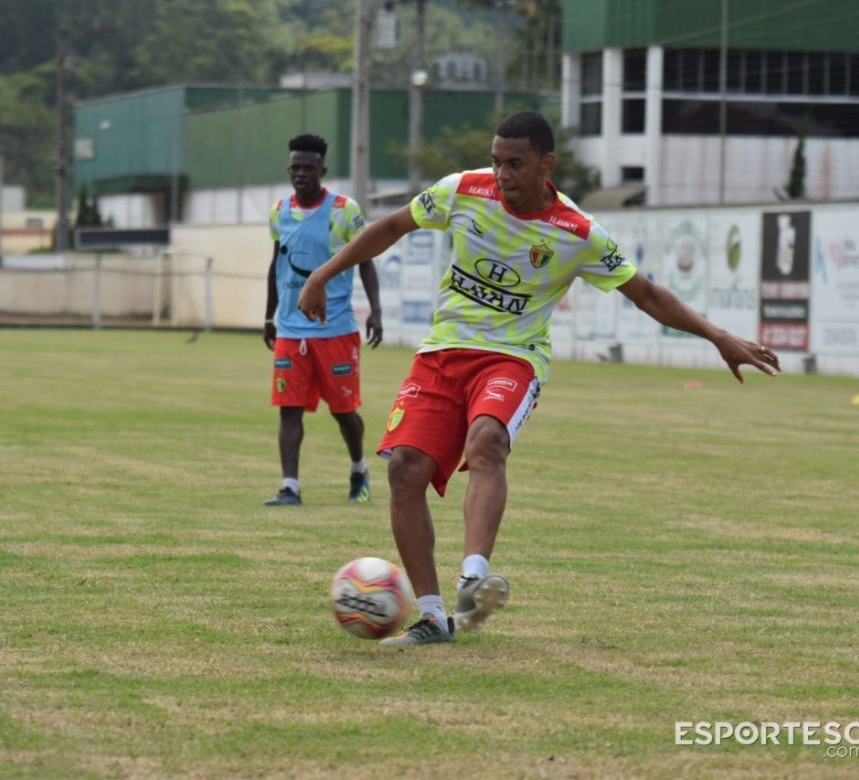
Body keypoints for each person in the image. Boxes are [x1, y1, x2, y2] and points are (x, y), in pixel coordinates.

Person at [297, 110, 781, 646]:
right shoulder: (461, 191)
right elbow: (389, 228)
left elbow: (646, 294)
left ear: (546, 165)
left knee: (487, 442)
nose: (502, 174)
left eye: (516, 163)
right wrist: (322, 274)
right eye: (496, 161)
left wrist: (717, 336)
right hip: (443, 352)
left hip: (513, 357)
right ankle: (433, 616)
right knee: (405, 470)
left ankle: (474, 581)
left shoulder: (577, 232)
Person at [263, 133, 383, 506]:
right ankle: (290, 487)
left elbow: (366, 259)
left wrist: (376, 311)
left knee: (344, 412)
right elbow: (276, 264)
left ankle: (359, 469)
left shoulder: (344, 211)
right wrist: (269, 315)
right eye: (295, 167)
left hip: (335, 329)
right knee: (289, 410)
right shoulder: (279, 211)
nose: (301, 174)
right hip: (289, 329)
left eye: (309, 168)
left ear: (322, 170)